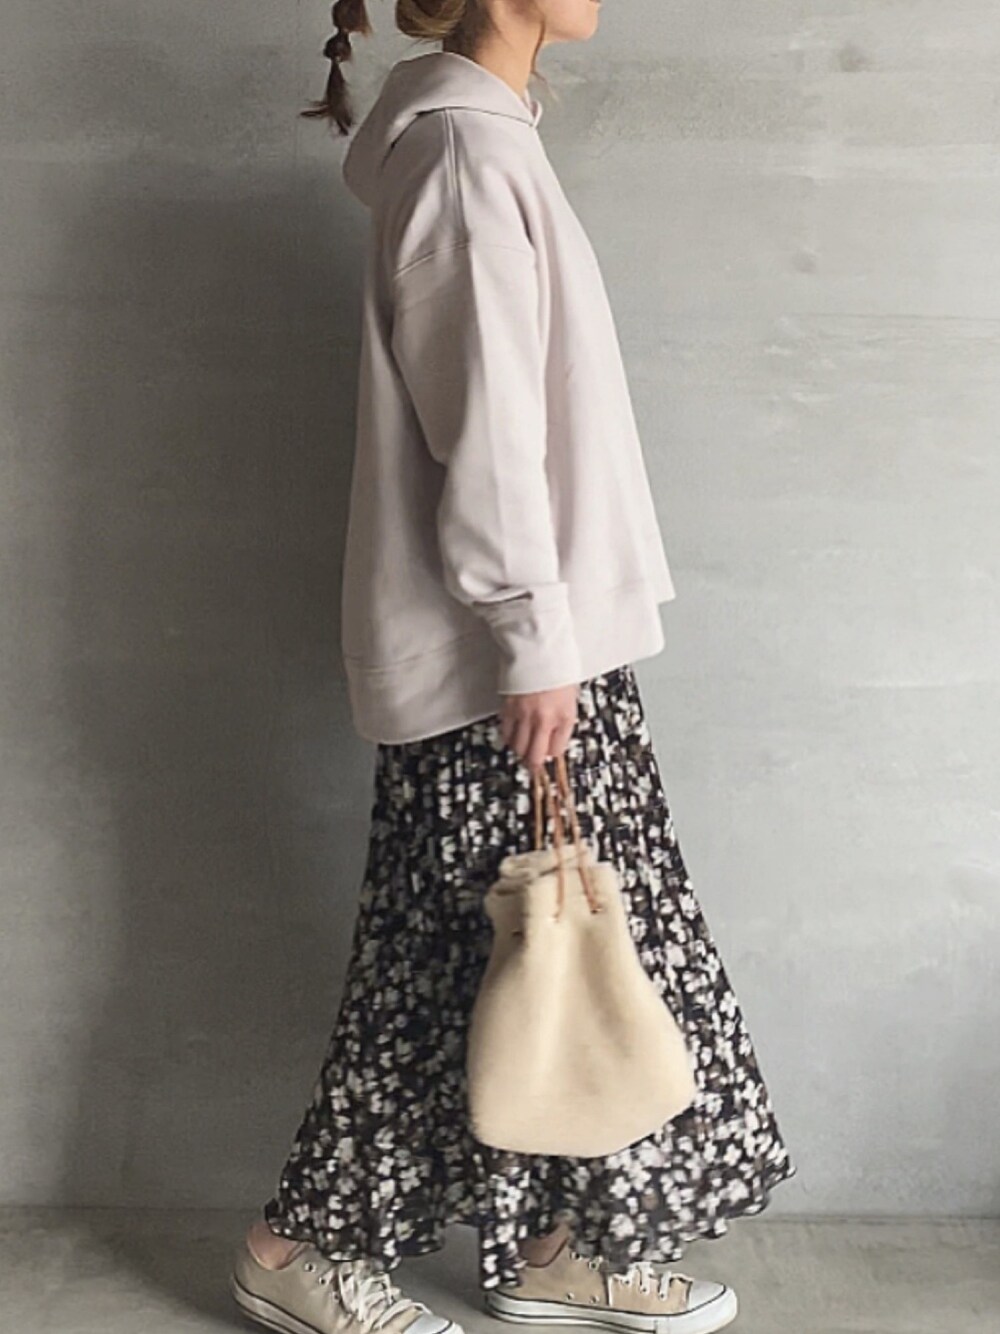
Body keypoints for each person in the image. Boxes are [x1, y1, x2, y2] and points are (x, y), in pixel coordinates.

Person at [229, 3, 795, 1334]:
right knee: (458, 964)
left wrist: (552, 639)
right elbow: (484, 428)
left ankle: (550, 1244)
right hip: (510, 658)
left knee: (556, 948)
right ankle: (293, 1248)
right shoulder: (464, 157)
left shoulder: (488, 144)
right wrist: (535, 640)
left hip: (540, 645)